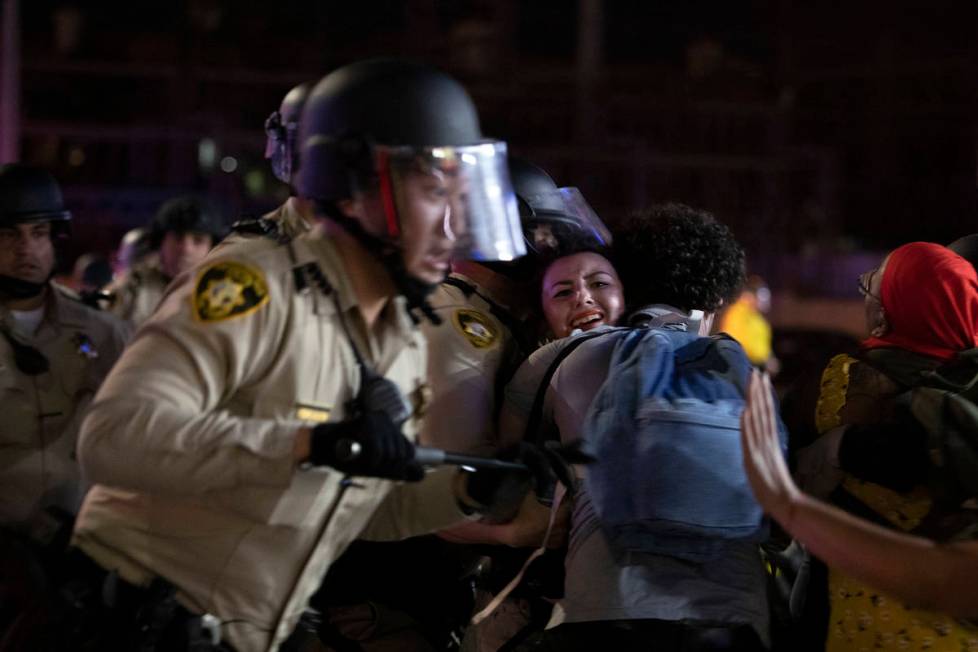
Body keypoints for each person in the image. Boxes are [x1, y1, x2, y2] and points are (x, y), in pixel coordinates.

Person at [59, 59, 534, 652]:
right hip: (134, 620)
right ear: (357, 188)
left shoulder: (402, 333)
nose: (451, 224)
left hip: (246, 634)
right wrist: (306, 444)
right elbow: (113, 438)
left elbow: (358, 508)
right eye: (433, 191)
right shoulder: (253, 286)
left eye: (460, 196)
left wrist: (472, 488)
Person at [314, 159, 610, 652]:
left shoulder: (477, 316)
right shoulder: (466, 333)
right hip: (382, 602)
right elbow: (444, 494)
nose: (558, 256)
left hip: (400, 589)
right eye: (549, 237)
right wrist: (518, 533)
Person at [502, 203, 771, 651]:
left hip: (609, 608)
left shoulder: (561, 359)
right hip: (732, 615)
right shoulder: (740, 370)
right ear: (714, 299)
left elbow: (503, 475)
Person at [775, 241, 978, 652]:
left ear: (884, 317)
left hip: (864, 624)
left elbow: (781, 475)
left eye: (870, 286)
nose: (864, 293)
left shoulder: (840, 384)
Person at [0, 164, 130, 647]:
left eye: (39, 233)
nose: (26, 249)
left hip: (86, 561)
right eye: (10, 234)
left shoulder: (105, 332)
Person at [105, 195, 226, 326]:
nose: (186, 249)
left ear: (212, 247)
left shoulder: (223, 293)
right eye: (178, 238)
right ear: (160, 242)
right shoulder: (133, 287)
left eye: (198, 240)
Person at [718, 274, 779, 373]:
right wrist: (763, 358)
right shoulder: (737, 313)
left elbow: (762, 344)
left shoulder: (758, 319)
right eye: (762, 297)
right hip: (741, 366)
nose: (765, 302)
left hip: (756, 368)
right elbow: (732, 340)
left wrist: (768, 358)